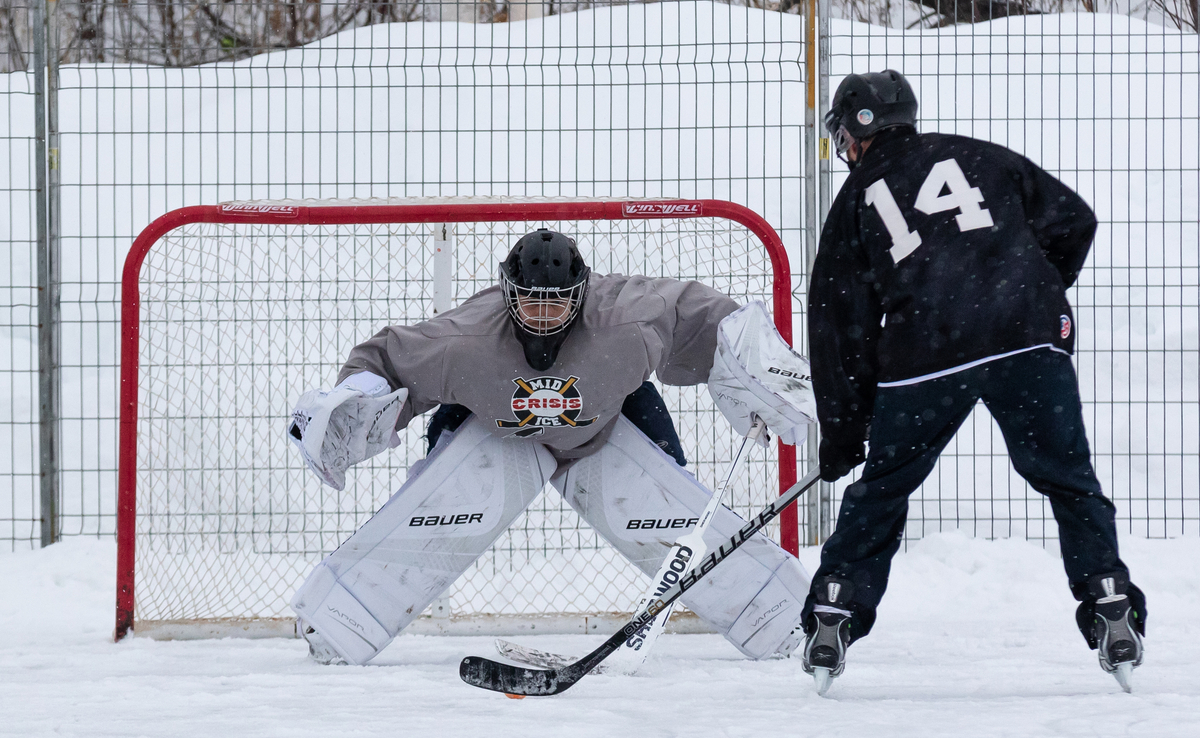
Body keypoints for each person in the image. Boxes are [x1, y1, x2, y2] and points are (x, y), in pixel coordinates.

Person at [286, 228, 816, 666]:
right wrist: (353, 400)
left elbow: (701, 315)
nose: (542, 314)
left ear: (582, 293)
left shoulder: (627, 318)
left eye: (556, 301)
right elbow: (386, 359)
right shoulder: (464, 340)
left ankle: (786, 619)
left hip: (611, 418)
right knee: (440, 513)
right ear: (506, 293)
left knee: (676, 518)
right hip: (494, 428)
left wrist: (756, 362)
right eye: (530, 302)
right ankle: (338, 621)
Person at [800, 70, 1145, 694]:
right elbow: (1075, 221)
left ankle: (836, 609)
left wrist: (845, 432)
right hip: (1027, 339)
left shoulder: (856, 199)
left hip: (926, 354)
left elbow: (837, 326)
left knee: (883, 488)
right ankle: (1109, 598)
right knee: (1069, 479)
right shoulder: (983, 156)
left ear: (855, 131)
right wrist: (1032, 295)